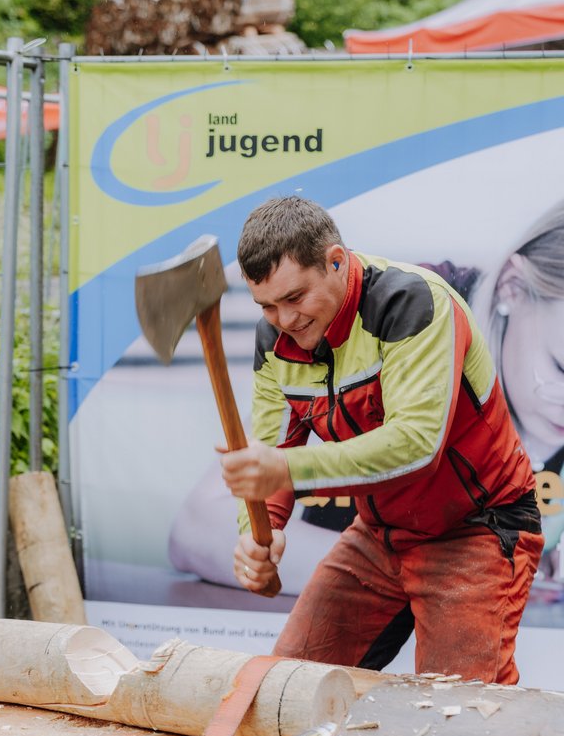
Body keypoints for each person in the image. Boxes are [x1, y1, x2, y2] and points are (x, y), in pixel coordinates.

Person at [219, 195, 544, 684]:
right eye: (267, 306)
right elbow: (272, 451)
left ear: (335, 261)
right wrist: (257, 532)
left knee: (457, 712)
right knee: (289, 689)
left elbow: (416, 445)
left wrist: (285, 471)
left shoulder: (413, 302)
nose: (284, 320)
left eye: (295, 298)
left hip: (476, 528)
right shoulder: (275, 341)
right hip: (379, 533)